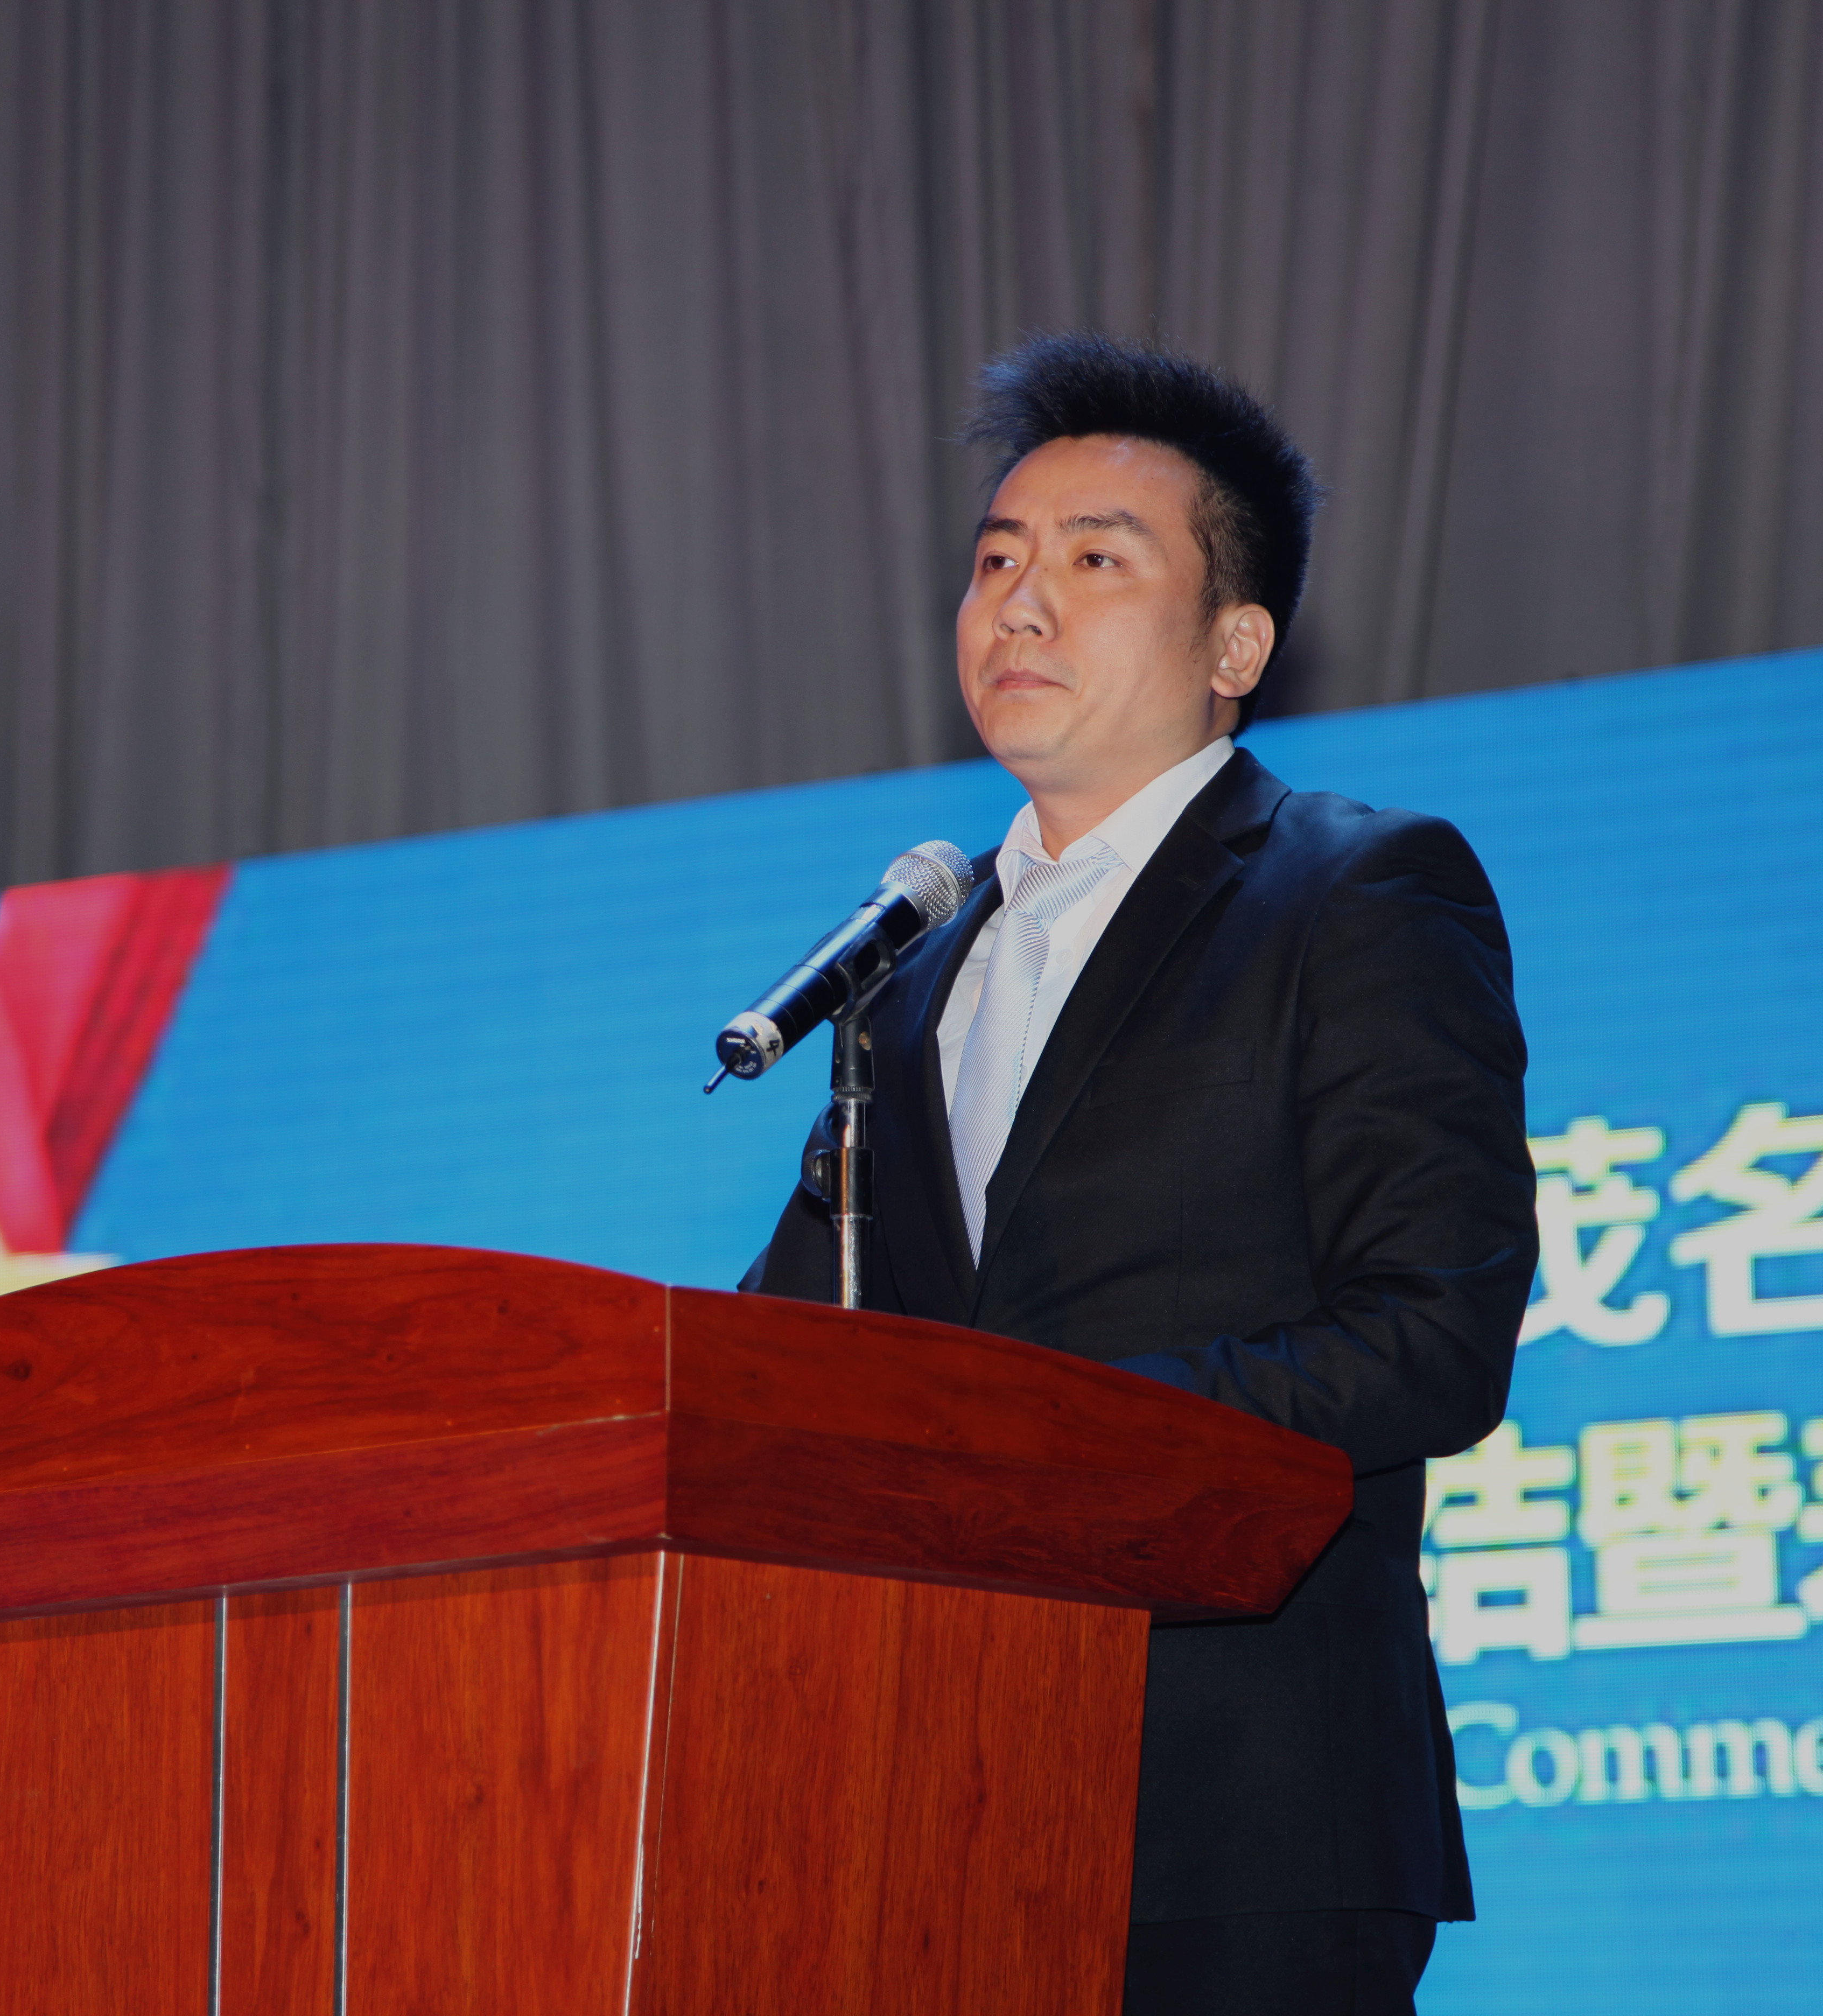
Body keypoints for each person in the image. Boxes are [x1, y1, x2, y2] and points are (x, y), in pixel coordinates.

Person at [743, 331, 1537, 2015]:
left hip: (1245, 1816)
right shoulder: (906, 979)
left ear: (1237, 644)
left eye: (1097, 562)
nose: (1020, 605)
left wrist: (1045, 1441)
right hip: (934, 1822)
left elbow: (1431, 1337)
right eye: (996, 562)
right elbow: (786, 1369)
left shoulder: (1357, 892)